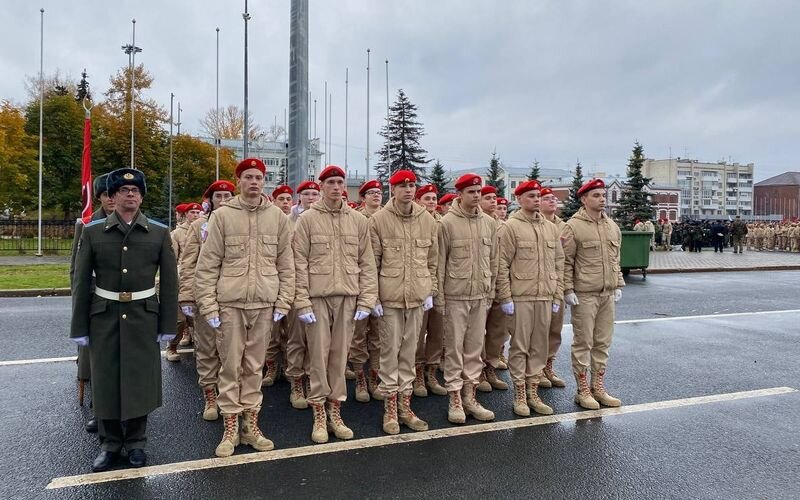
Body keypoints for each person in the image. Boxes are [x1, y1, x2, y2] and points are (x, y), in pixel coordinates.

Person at [70, 168, 178, 472]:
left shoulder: (158, 232)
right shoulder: (93, 232)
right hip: (104, 316)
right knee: (105, 380)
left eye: (135, 191)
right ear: (112, 197)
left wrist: (168, 324)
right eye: (123, 190)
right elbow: (81, 281)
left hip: (144, 316)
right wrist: (79, 327)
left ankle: (136, 442)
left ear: (141, 197)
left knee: (139, 380)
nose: (130, 195)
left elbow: (170, 282)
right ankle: (109, 444)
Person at [195, 158, 295, 457]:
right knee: (230, 366)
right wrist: (209, 307)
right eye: (248, 177)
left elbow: (286, 264)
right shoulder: (223, 216)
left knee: (254, 366)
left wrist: (283, 300)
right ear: (239, 181)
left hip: (264, 304)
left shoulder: (277, 217)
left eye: (259, 177)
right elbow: (207, 265)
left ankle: (250, 426)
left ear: (264, 182)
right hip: (230, 304)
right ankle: (230, 429)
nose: (254, 182)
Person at [293, 165, 378, 443]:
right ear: (321, 187)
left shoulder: (358, 221)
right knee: (318, 355)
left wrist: (367, 299)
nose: (336, 187)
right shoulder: (307, 219)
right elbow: (298, 263)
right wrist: (302, 302)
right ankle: (318, 410)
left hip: (348, 297)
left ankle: (335, 409)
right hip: (317, 298)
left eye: (340, 182)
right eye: (330, 182)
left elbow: (367, 263)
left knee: (340, 356)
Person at [369, 170, 438, 434]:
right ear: (393, 189)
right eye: (402, 186)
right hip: (390, 298)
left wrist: (430, 290)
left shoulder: (427, 220)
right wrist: (374, 297)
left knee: (410, 352)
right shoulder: (379, 220)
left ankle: (405, 407)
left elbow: (432, 260)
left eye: (412, 186)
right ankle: (390, 409)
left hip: (417, 297)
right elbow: (372, 263)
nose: (408, 190)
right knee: (389, 352)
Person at [496, 180, 564, 416]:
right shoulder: (510, 227)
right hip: (521, 297)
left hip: (545, 296)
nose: (536, 200)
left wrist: (557, 294)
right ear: (519, 199)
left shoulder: (550, 228)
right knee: (520, 347)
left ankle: (533, 392)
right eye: (531, 196)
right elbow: (501, 265)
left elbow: (559, 263)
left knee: (539, 347)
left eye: (538, 196)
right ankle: (520, 395)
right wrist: (505, 297)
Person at [436, 173, 498, 424]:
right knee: (454, 349)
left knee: (474, 349)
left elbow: (493, 261)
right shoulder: (447, 223)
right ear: (459, 194)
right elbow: (439, 263)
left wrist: (491, 292)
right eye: (471, 192)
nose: (476, 196)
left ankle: (470, 397)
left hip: (480, 295)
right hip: (455, 296)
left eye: (478, 192)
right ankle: (454, 398)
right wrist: (440, 298)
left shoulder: (489, 224)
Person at [561, 178, 624, 410]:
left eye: (603, 195)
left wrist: (617, 284)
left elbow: (615, 259)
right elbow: (566, 262)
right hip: (584, 294)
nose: (602, 199)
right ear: (584, 199)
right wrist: (568, 290)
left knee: (602, 343)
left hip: (607, 294)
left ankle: (598, 387)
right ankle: (582, 390)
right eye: (596, 195)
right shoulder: (573, 226)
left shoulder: (612, 226)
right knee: (583, 342)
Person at [178, 180, 236, 422]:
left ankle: (229, 395)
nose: (222, 201)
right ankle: (210, 395)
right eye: (218, 196)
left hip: (233, 296)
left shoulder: (238, 223)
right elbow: (188, 263)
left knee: (232, 351)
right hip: (206, 295)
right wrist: (187, 295)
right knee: (207, 348)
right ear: (210, 201)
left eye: (227, 196)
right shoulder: (198, 226)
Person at [69, 172, 114, 434]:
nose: (111, 199)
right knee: (96, 360)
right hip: (96, 300)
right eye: (106, 194)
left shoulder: (131, 221)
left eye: (115, 193)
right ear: (99, 197)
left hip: (123, 302)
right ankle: (99, 408)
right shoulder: (87, 224)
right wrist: (80, 303)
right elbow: (77, 270)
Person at [283, 180, 321, 410]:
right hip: (296, 287)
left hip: (319, 288)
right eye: (307, 194)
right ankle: (296, 380)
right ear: (300, 198)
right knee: (296, 337)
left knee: (316, 341)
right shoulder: (287, 221)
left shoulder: (322, 220)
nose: (311, 198)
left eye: (315, 194)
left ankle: (311, 378)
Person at [348, 179, 384, 402]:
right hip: (358, 282)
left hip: (383, 283)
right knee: (358, 335)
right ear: (363, 198)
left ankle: (374, 377)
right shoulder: (356, 219)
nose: (376, 195)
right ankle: (360, 378)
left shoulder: (386, 218)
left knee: (379, 336)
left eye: (379, 192)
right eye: (371, 193)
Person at [412, 183, 445, 397]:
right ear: (418, 201)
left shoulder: (443, 223)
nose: (432, 202)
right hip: (422, 285)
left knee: (437, 331)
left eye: (434, 198)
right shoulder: (416, 223)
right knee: (418, 332)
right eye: (427, 198)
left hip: (444, 284)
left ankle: (431, 372)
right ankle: (417, 373)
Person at [479, 184, 510, 393]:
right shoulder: (480, 223)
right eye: (488, 198)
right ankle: (479, 372)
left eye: (494, 198)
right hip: (482, 285)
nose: (493, 201)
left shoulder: (503, 226)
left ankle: (490, 367)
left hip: (500, 284)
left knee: (497, 331)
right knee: (477, 333)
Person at [263, 184, 295, 386]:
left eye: (288, 199)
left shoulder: (298, 221)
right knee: (272, 331)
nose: (285, 203)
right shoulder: (269, 221)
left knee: (291, 331)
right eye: (281, 199)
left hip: (291, 281)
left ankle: (290, 367)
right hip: (271, 281)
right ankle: (272, 366)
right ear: (273, 201)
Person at [538, 187, 568, 388]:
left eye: (554, 198)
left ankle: (548, 365)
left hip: (557, 282)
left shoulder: (564, 226)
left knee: (555, 329)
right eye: (547, 198)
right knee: (537, 331)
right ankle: (537, 368)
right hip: (537, 284)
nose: (552, 201)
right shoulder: (534, 223)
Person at [167, 202, 204, 360]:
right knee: (180, 319)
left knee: (198, 319)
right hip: (183, 278)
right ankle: (172, 347)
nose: (195, 215)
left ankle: (200, 348)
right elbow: (172, 259)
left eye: (198, 212)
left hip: (201, 279)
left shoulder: (205, 229)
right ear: (186, 215)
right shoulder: (177, 234)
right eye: (192, 212)